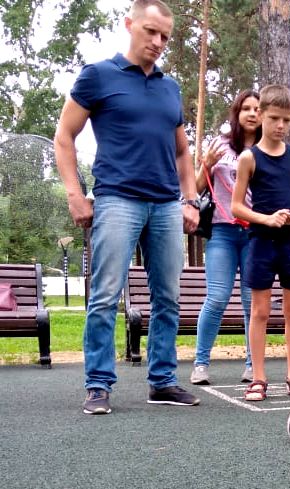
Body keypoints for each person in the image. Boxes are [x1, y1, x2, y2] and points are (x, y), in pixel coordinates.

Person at [54, 0, 201, 415]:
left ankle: (163, 381)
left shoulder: (170, 88)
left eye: (165, 36)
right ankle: (98, 384)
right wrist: (75, 194)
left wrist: (190, 200)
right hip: (117, 199)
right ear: (129, 24)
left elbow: (182, 151)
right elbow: (64, 136)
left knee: (168, 298)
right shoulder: (98, 75)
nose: (158, 41)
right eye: (150, 31)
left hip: (166, 205)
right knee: (105, 295)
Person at [230, 84, 290, 402]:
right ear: (261, 115)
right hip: (261, 241)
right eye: (274, 119)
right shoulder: (248, 158)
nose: (280, 126)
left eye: (287, 120)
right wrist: (266, 219)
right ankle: (258, 378)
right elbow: (236, 207)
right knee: (260, 311)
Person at [190, 89, 260, 386]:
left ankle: (253, 365)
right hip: (222, 231)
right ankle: (200, 363)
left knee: (251, 301)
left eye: (258, 109)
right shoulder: (220, 144)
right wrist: (205, 163)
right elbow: (196, 188)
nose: (253, 114)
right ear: (237, 112)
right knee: (217, 298)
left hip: (255, 233)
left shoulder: (267, 149)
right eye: (247, 108)